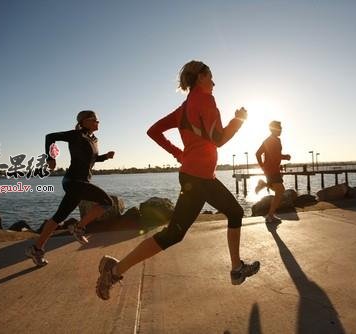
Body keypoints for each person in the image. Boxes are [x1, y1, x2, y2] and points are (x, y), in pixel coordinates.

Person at [95, 60, 260, 300]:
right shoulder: (206, 100)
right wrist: (239, 120)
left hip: (200, 175)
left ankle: (236, 269)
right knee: (174, 234)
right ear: (201, 77)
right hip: (198, 178)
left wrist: (178, 153)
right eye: (211, 77)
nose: (214, 82)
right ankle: (114, 270)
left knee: (234, 212)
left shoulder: (183, 109)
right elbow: (219, 139)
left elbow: (153, 131)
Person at [25, 110, 115, 266]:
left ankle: (36, 249)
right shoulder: (76, 135)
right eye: (94, 119)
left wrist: (105, 157)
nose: (98, 122)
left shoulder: (94, 139)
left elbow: (92, 159)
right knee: (106, 202)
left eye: (97, 120)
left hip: (80, 182)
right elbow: (50, 136)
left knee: (59, 217)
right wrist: (50, 158)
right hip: (73, 181)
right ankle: (78, 228)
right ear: (84, 121)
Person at [255, 121, 291, 224]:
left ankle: (263, 184)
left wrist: (263, 167)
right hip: (271, 170)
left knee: (279, 191)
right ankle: (270, 216)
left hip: (273, 169)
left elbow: (273, 155)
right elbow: (258, 154)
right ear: (274, 129)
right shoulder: (270, 140)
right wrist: (263, 166)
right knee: (280, 191)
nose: (281, 130)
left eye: (281, 128)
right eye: (279, 128)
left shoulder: (275, 140)